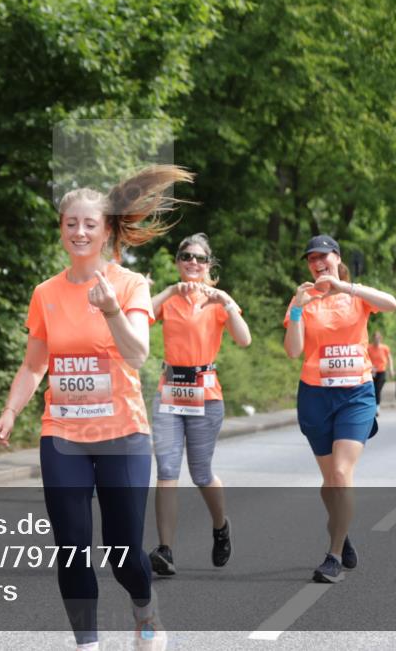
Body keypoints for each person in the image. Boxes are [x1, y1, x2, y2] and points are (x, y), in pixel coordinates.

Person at [0, 165, 194, 651]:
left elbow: (138, 353)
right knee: (72, 550)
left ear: (106, 231)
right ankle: (87, 643)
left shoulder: (129, 285)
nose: (79, 232)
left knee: (123, 555)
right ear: (61, 229)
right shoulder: (46, 293)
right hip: (62, 434)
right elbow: (34, 365)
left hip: (123, 433)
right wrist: (11, 411)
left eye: (90, 224)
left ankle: (145, 611)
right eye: (70, 224)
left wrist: (110, 310)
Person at [283, 235, 396, 583]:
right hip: (315, 395)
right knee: (329, 480)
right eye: (311, 258)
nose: (317, 263)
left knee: (342, 473)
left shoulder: (355, 295)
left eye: (323, 256)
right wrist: (299, 307)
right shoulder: (302, 298)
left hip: (356, 395)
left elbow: (391, 303)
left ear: (336, 258)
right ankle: (343, 535)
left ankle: (332, 556)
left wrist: (348, 287)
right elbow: (293, 350)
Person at [146, 233, 251, 578]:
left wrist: (227, 301)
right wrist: (170, 291)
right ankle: (165, 550)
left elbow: (244, 338)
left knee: (201, 473)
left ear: (209, 265)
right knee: (166, 472)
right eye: (186, 256)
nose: (193, 262)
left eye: (200, 258)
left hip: (206, 395)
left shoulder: (218, 301)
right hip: (170, 392)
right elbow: (143, 314)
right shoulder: (171, 299)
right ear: (178, 261)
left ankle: (221, 526)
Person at [367, 331, 394, 417]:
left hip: (381, 370)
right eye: (375, 338)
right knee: (372, 390)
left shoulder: (385, 348)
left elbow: (389, 358)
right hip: (372, 371)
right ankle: (373, 407)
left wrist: (391, 370)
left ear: (381, 339)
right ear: (373, 339)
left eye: (378, 338)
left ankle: (377, 407)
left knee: (378, 389)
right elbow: (365, 358)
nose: (377, 340)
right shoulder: (369, 348)